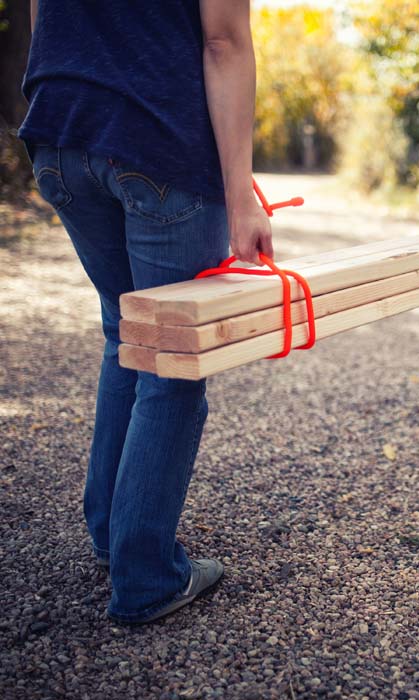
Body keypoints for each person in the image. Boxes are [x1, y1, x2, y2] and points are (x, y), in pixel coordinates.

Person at [20, 0, 273, 623]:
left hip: (59, 131)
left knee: (126, 331)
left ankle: (112, 532)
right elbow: (224, 43)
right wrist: (242, 200)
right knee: (173, 360)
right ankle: (146, 577)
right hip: (157, 139)